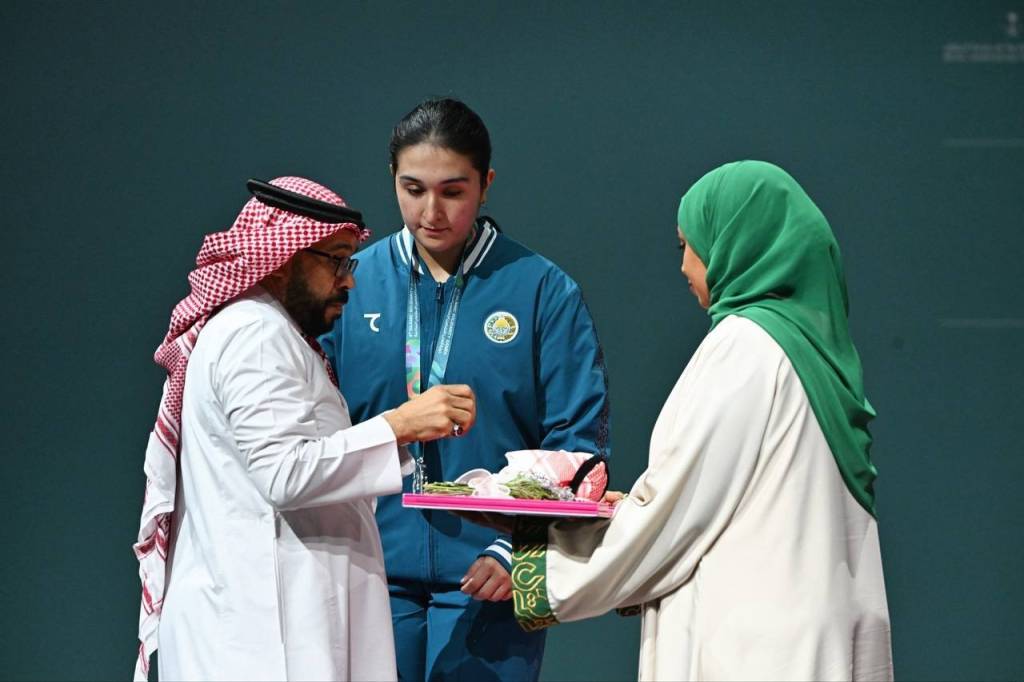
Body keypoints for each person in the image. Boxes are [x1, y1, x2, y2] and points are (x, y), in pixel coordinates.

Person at [500, 161, 893, 681]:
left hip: (754, 642)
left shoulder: (745, 346)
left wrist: (542, 556)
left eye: (689, 245)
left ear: (737, 244)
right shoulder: (817, 354)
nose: (684, 265)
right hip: (809, 628)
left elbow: (682, 507)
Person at [132, 176, 476, 682]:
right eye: (336, 261)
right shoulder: (255, 335)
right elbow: (284, 474)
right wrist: (399, 425)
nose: (349, 281)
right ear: (282, 259)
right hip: (264, 639)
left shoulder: (270, 332)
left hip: (273, 623)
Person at [319, 98, 611, 681]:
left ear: (486, 184)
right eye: (413, 189)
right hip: (368, 570)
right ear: (392, 179)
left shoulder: (542, 291)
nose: (431, 212)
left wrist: (518, 547)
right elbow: (314, 430)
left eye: (453, 191)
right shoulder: (350, 286)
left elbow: (578, 446)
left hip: (489, 578)